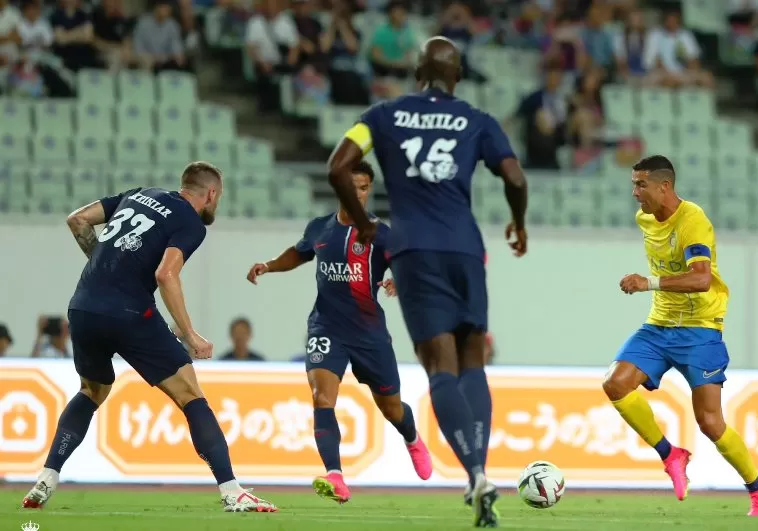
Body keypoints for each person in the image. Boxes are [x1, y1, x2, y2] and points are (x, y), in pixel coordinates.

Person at [325, 36, 528, 528]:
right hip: (465, 247)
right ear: (457, 75)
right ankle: (480, 469)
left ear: (416, 72)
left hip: (414, 248)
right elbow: (516, 178)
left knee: (439, 365)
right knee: (472, 359)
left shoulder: (381, 115)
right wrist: (519, 224)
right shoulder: (478, 120)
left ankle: (475, 475)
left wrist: (362, 219)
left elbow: (338, 167)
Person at [22, 162, 276, 514]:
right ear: (212, 194)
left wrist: (108, 266)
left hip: (83, 307)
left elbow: (77, 219)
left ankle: (47, 476)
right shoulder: (189, 221)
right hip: (129, 312)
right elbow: (166, 274)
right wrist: (190, 334)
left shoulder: (138, 194)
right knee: (190, 394)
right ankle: (232, 491)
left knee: (91, 391)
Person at [246, 160, 432, 504]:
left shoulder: (381, 234)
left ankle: (411, 437)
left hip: (369, 334)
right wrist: (269, 265)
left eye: (364, 188)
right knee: (322, 397)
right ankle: (336, 474)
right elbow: (299, 253)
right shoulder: (320, 228)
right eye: (352, 187)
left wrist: (398, 281)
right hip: (326, 326)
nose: (359, 194)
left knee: (391, 408)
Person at [604, 155, 758, 517]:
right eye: (634, 184)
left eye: (641, 185)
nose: (635, 192)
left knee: (710, 423)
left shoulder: (693, 220)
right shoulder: (645, 219)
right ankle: (671, 454)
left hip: (700, 330)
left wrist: (646, 282)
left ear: (664, 186)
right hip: (659, 326)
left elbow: (701, 280)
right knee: (615, 384)